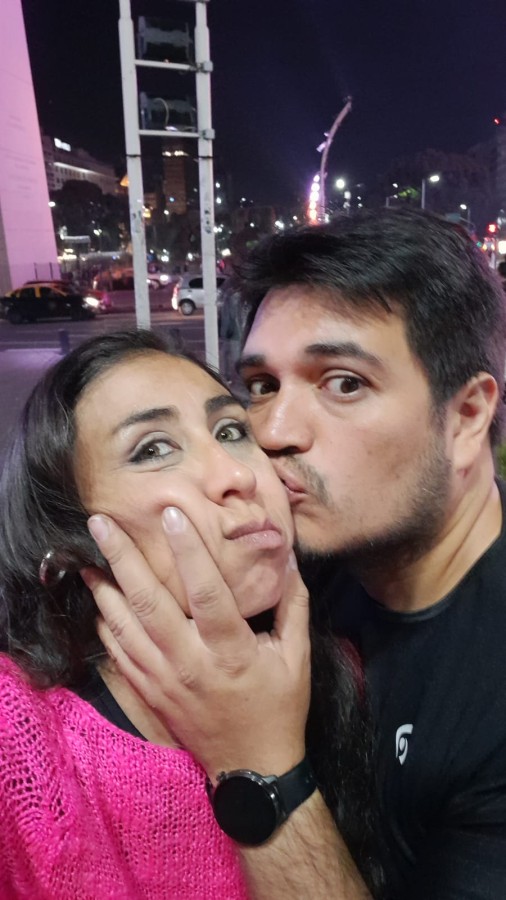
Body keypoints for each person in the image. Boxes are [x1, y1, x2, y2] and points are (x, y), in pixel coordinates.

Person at [84, 208, 506, 900]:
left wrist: (257, 762)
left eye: (344, 383)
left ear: (465, 418)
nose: (273, 431)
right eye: (261, 386)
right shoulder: (286, 561)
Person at [0, 329, 382, 898]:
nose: (239, 476)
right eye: (154, 449)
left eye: (231, 432)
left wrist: (262, 755)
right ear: (65, 532)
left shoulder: (349, 671)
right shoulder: (17, 735)